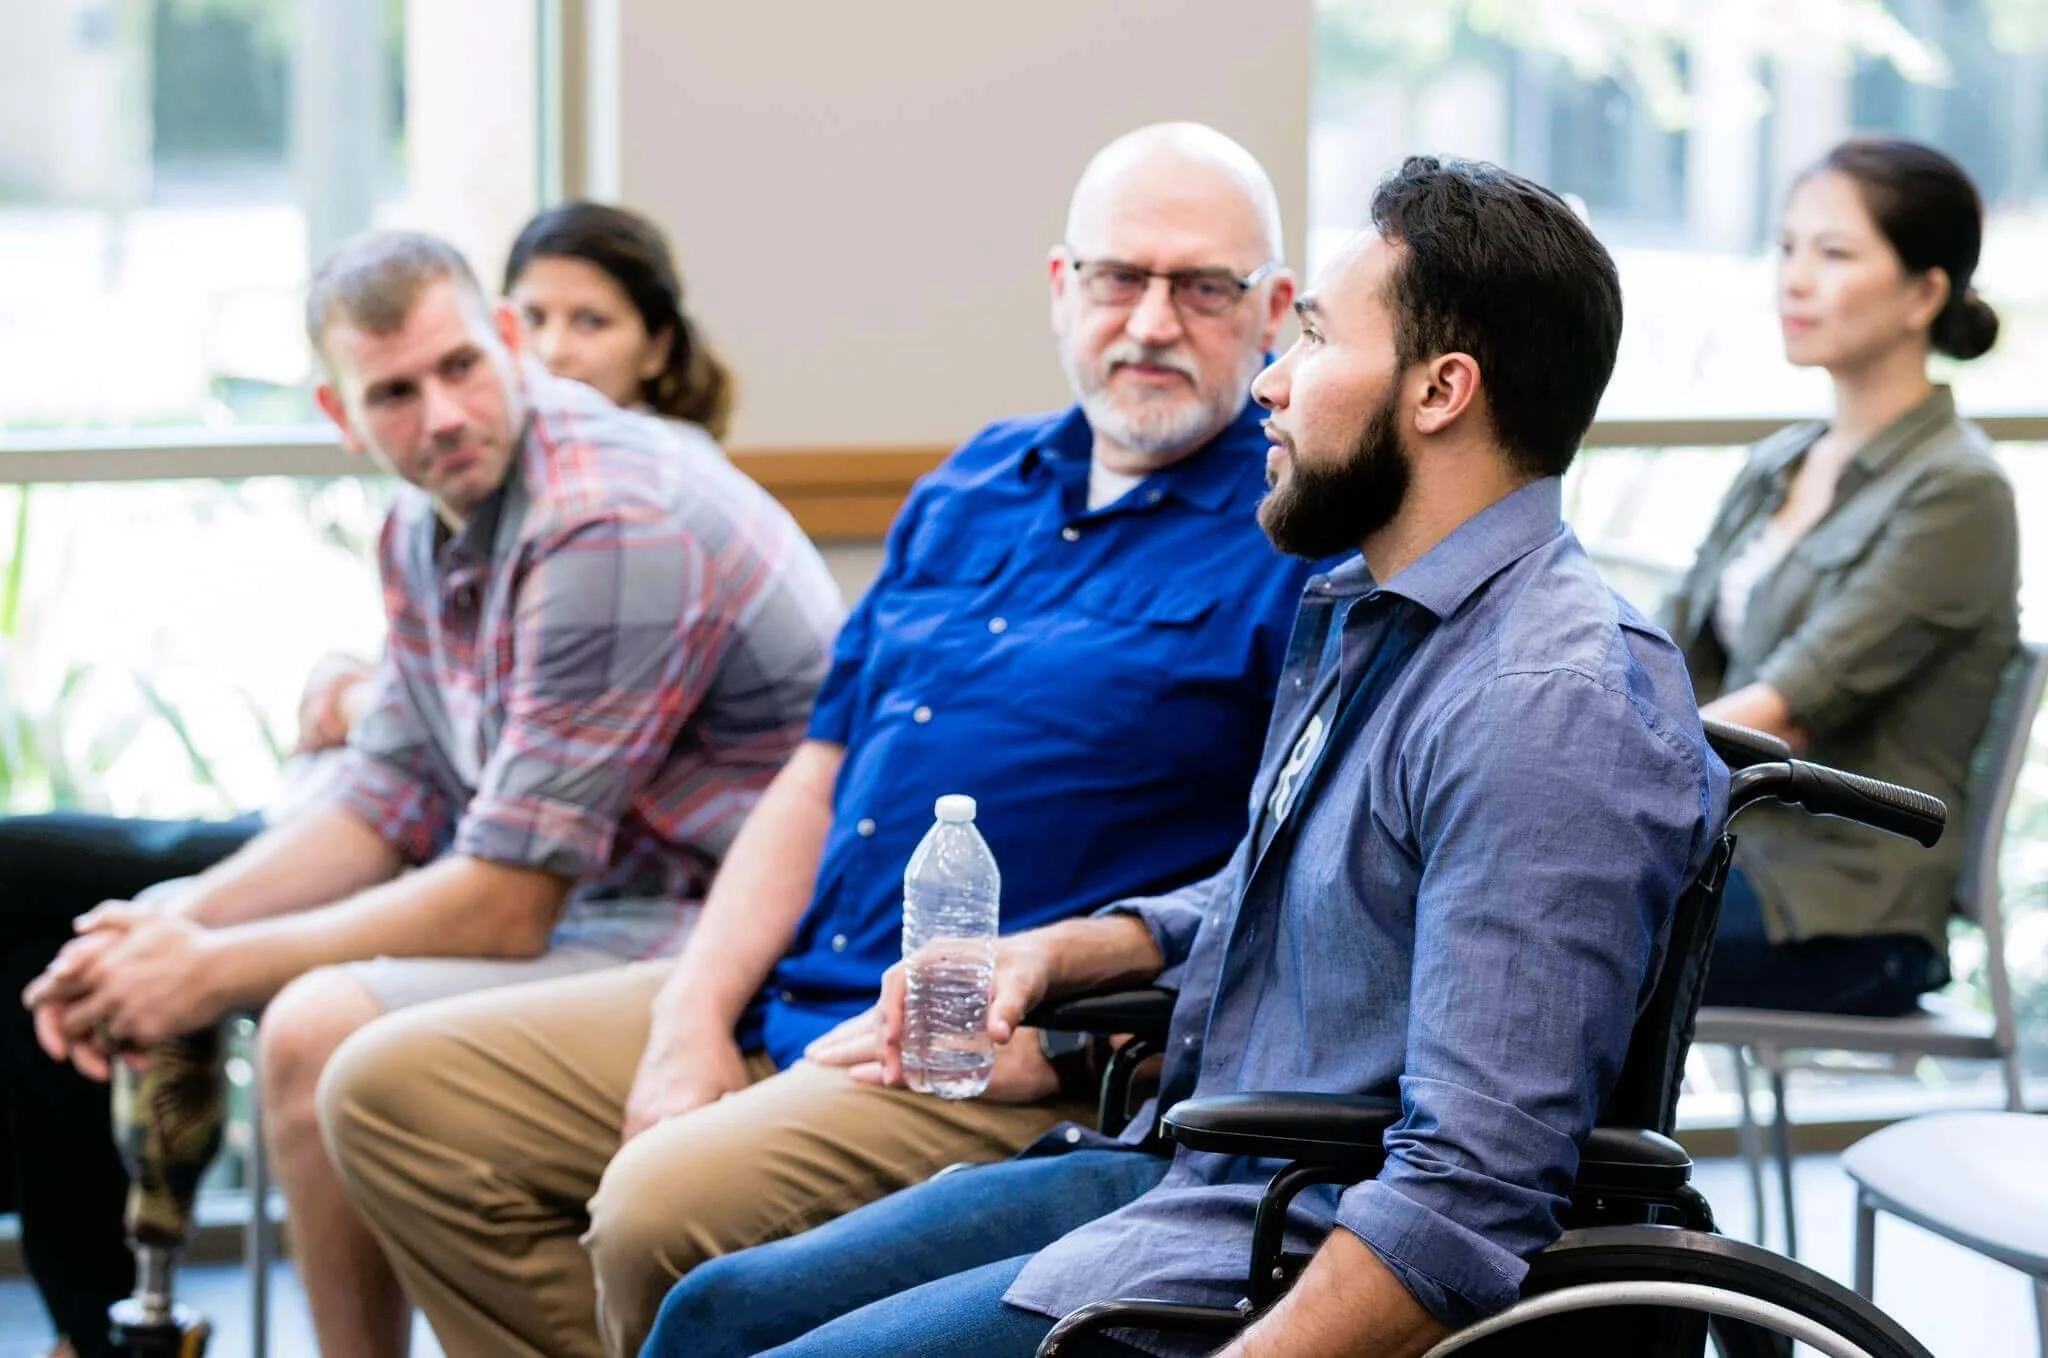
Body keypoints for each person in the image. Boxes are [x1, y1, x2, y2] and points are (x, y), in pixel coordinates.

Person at [639, 154, 1730, 1358]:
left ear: (1438, 391)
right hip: (1187, 1171)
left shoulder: (1545, 704)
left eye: (1310, 338)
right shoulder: (1378, 615)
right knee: (708, 1312)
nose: (1270, 382)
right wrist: (1065, 947)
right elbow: (1318, 892)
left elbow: (1461, 1198)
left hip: (1283, 1248)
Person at [318, 121, 1319, 1358]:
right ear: (1063, 289)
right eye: (1119, 277)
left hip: (986, 1053)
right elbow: (813, 776)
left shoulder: (1293, 533)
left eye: (1204, 289)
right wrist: (691, 1019)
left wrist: (1073, 1029)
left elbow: (1288, 884)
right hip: (800, 977)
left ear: (1273, 307)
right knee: (390, 1091)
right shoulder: (975, 482)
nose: (1153, 322)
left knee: (657, 1205)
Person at [19, 229, 844, 1358]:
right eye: (396, 392)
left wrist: (207, 967)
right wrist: (172, 923)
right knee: (203, 938)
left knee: (310, 1024)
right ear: (340, 412)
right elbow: (387, 803)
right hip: (614, 915)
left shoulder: (607, 516)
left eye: (461, 366)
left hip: (746, 935)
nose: (443, 413)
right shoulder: (423, 522)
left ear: (509, 339)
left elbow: (508, 899)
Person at [1663, 138, 2020, 1017]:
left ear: (1925, 293)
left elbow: (1784, 711)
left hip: (1843, 912)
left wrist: (1578, 752)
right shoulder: (1781, 462)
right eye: (1787, 249)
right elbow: (1665, 659)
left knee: (1540, 920)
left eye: (1834, 253)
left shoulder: (1958, 490)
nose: (1795, 279)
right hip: (1734, 858)